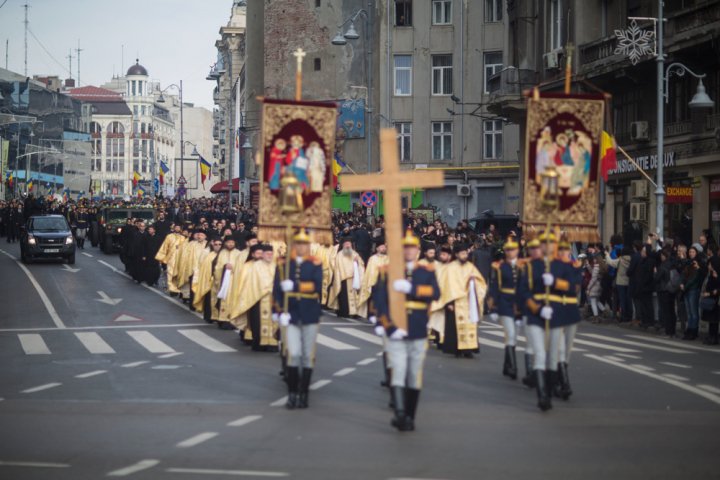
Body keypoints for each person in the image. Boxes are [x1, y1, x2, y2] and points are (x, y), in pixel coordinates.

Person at [372, 229, 440, 432]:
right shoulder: (388, 271)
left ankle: (410, 415)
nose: (409, 251)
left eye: (413, 248)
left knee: (414, 373)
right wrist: (387, 325)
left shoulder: (426, 272)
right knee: (398, 371)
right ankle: (400, 414)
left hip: (418, 328)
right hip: (396, 327)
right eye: (406, 248)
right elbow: (380, 300)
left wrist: (412, 289)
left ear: (418, 251)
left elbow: (436, 293)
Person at [273, 228, 323, 409]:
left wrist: (295, 285)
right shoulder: (283, 264)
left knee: (307, 356)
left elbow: (317, 286)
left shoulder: (316, 264)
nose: (301, 247)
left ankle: (304, 393)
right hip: (291, 313)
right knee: (293, 354)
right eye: (298, 244)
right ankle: (292, 393)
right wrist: (278, 311)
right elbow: (276, 290)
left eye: (304, 244)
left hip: (310, 312)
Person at [435, 243, 487, 358]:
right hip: (455, 302)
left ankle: (469, 349)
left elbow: (480, 282)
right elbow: (445, 286)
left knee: (470, 325)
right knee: (455, 327)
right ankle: (457, 349)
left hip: (469, 302)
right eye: (463, 253)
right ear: (457, 254)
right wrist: (448, 302)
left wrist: (474, 283)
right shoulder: (451, 268)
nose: (465, 255)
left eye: (466, 253)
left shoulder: (470, 267)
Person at [232, 244, 279, 351]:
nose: (269, 256)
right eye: (267, 254)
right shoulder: (255, 266)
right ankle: (259, 343)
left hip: (273, 300)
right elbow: (249, 283)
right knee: (257, 323)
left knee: (273, 323)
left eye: (271, 254)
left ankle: (272, 344)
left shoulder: (275, 266)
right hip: (257, 299)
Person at [488, 237, 521, 379]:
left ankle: (507, 364)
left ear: (517, 251)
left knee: (515, 336)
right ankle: (513, 366)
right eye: (508, 250)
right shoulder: (500, 267)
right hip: (505, 303)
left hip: (518, 305)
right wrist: (493, 308)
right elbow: (495, 287)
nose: (510, 252)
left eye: (512, 250)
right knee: (510, 334)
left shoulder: (523, 267)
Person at [328, 237, 365, 318]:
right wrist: (341, 275)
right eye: (346, 244)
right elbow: (337, 267)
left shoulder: (355, 254)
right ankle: (344, 312)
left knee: (355, 296)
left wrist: (357, 262)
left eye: (349, 244)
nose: (348, 245)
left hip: (354, 279)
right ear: (343, 245)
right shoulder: (339, 255)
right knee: (344, 297)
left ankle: (354, 312)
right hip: (343, 278)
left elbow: (361, 265)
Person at [215, 236, 245, 330]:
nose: (230, 244)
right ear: (225, 243)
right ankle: (223, 320)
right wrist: (225, 267)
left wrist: (233, 268)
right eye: (229, 242)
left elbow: (241, 268)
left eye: (232, 242)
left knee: (234, 300)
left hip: (235, 281)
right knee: (224, 300)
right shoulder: (221, 253)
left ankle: (233, 320)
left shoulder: (239, 253)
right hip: (224, 281)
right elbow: (217, 267)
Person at [193, 235, 223, 323]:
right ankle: (209, 316)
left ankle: (219, 317)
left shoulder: (224, 256)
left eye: (219, 244)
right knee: (209, 299)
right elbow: (204, 269)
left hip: (220, 282)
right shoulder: (209, 255)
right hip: (210, 282)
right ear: (212, 245)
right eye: (216, 244)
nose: (217, 246)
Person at [680, 244, 705, 340]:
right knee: (689, 312)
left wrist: (685, 286)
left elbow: (694, 278)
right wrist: (682, 283)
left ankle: (693, 331)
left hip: (693, 289)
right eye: (690, 252)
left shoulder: (697, 263)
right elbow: (683, 274)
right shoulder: (688, 262)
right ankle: (689, 329)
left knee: (694, 312)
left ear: (696, 253)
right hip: (686, 289)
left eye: (693, 252)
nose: (691, 253)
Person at [654, 246, 678, 337]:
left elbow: (657, 278)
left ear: (664, 256)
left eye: (661, 255)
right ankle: (673, 330)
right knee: (672, 311)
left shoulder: (662, 265)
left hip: (663, 289)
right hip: (672, 289)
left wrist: (655, 272)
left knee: (666, 311)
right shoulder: (672, 264)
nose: (660, 257)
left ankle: (668, 331)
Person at [701, 256, 720, 345]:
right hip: (711, 300)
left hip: (715, 300)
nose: (709, 266)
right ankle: (711, 336)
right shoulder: (711, 274)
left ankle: (714, 338)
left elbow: (717, 289)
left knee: (714, 321)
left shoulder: (716, 274)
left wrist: (710, 293)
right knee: (711, 321)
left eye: (710, 264)